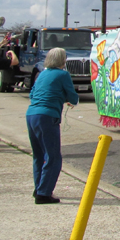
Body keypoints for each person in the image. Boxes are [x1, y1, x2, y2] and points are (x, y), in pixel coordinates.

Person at [26, 48, 79, 204]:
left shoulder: (42, 73)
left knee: (38, 155)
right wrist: (65, 98)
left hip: (31, 114)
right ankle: (44, 192)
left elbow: (32, 94)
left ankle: (39, 188)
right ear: (63, 60)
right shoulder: (63, 74)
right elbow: (72, 96)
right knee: (53, 156)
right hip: (48, 116)